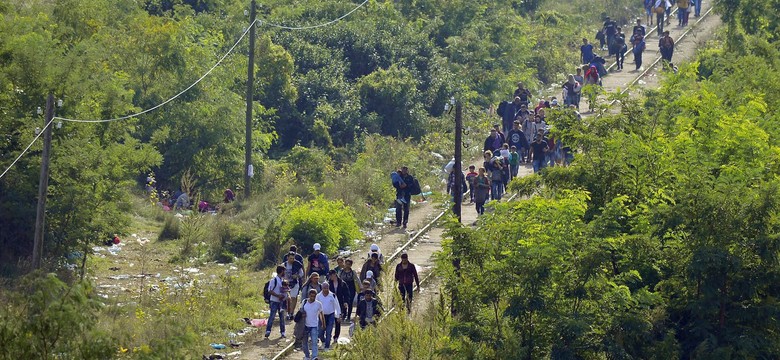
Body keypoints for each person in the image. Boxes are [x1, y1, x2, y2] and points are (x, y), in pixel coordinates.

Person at [301, 289, 325, 360]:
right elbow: (300, 311)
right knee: (304, 342)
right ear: (309, 295)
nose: (313, 298)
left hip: (314, 325)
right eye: (311, 296)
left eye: (314, 296)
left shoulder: (318, 304)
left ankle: (314, 356)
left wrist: (323, 323)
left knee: (314, 342)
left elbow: (321, 314)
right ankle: (307, 356)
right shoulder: (304, 302)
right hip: (305, 325)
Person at [316, 283, 341, 350]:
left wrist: (338, 315)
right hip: (321, 316)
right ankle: (323, 341)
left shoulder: (332, 295)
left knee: (329, 331)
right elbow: (316, 305)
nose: (325, 290)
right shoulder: (318, 296)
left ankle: (327, 346)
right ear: (322, 288)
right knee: (320, 332)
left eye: (326, 288)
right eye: (324, 288)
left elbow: (337, 306)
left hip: (330, 315)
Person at [265, 266, 287, 339]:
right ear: (282, 271)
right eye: (284, 271)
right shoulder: (273, 280)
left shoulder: (283, 280)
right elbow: (270, 291)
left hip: (281, 301)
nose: (285, 273)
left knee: (282, 317)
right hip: (274, 301)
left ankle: (283, 332)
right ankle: (268, 331)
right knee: (272, 316)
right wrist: (278, 296)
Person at [327, 270, 349, 338]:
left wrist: (346, 302)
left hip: (340, 303)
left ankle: (336, 336)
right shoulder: (328, 284)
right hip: (330, 304)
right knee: (329, 321)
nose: (330, 277)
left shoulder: (342, 283)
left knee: (338, 320)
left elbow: (346, 293)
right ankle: (328, 335)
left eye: (331, 275)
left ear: (335, 274)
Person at [283, 253, 305, 319]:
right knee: (287, 299)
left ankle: (291, 313)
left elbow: (301, 273)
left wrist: (297, 276)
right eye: (290, 258)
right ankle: (287, 312)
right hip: (285, 285)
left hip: (295, 283)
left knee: (293, 298)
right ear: (287, 258)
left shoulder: (297, 264)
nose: (292, 260)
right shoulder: (284, 265)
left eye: (293, 258)